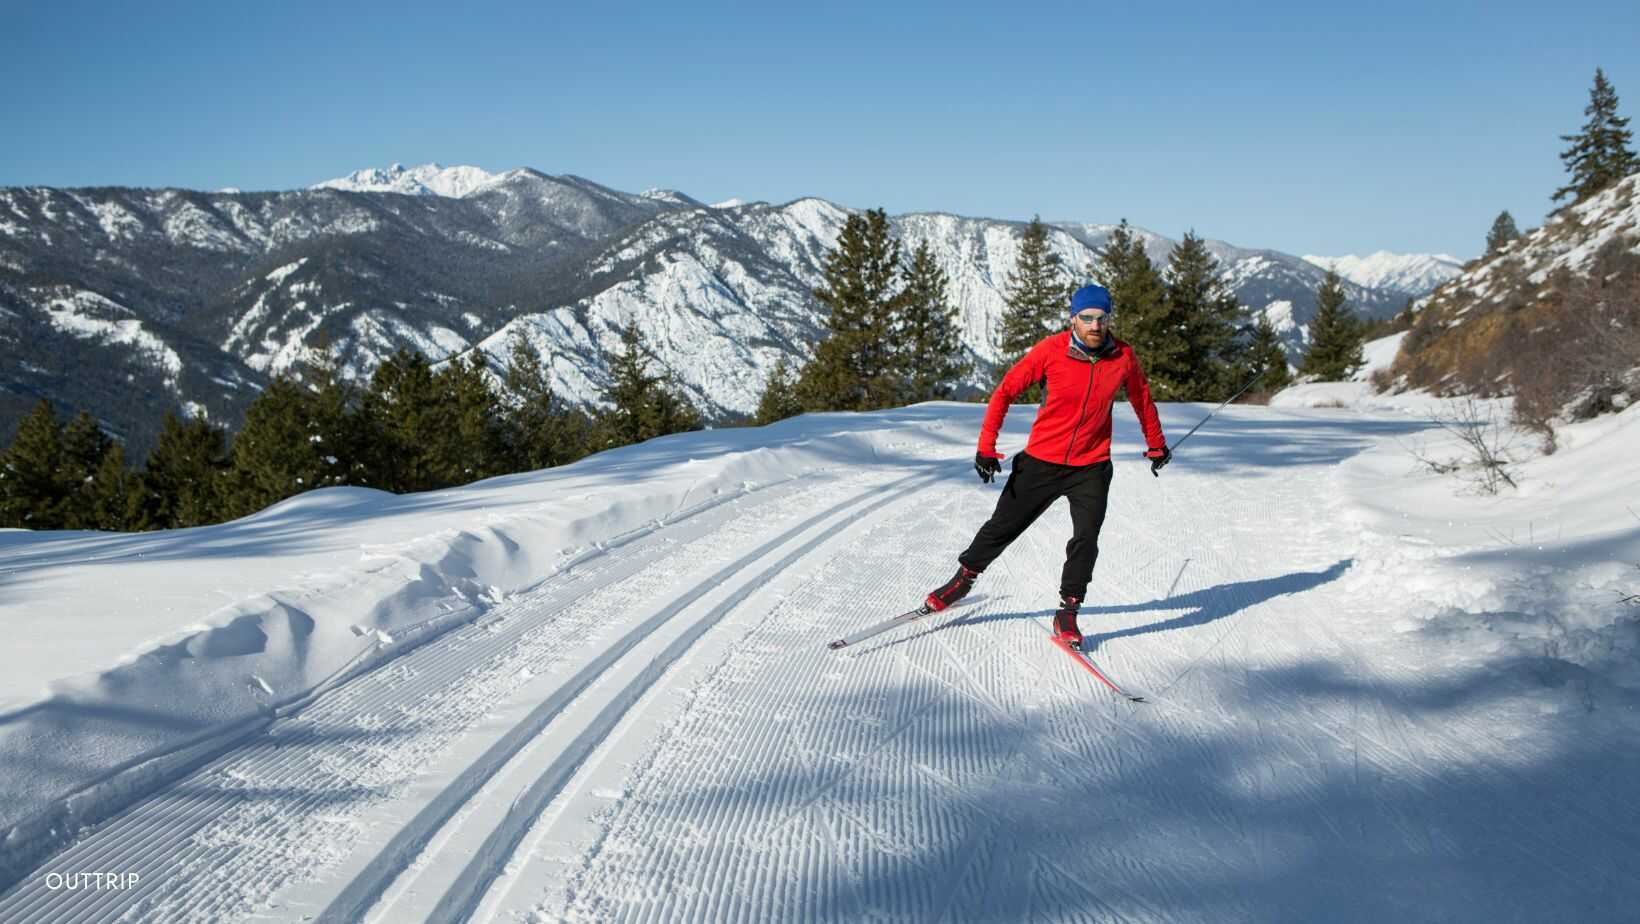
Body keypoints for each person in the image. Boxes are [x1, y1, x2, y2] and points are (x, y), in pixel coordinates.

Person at [924, 283, 1170, 650]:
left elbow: (1142, 398)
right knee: (1001, 527)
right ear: (1073, 319)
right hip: (1041, 461)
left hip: (1091, 466)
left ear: (1109, 319)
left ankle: (1068, 610)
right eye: (1087, 317)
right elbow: (1005, 391)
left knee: (1086, 539)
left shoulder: (1123, 357)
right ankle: (963, 579)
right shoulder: (1051, 351)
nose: (1095, 325)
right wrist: (986, 447)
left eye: (1102, 318)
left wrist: (1156, 443)